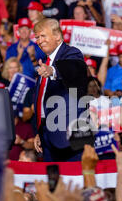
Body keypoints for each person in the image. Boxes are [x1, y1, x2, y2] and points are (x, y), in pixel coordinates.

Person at [32, 18, 87, 162]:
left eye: (43, 36)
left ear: (57, 36)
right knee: (53, 183)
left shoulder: (71, 53)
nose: (39, 40)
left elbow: (74, 70)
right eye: (37, 37)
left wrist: (53, 71)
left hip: (68, 136)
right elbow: (42, 101)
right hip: (47, 135)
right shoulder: (44, 62)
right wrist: (40, 131)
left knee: (74, 181)